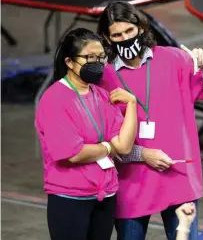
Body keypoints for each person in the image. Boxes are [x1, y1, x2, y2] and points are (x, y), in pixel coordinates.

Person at [96, 1, 203, 240]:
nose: (125, 38)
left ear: (140, 28)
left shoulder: (174, 59)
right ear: (107, 38)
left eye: (129, 31)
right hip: (132, 183)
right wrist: (143, 154)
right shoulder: (105, 78)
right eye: (117, 35)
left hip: (177, 177)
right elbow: (106, 140)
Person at [35, 28, 138, 240]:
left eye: (101, 57)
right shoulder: (55, 99)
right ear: (70, 62)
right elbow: (72, 153)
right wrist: (109, 147)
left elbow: (125, 146)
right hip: (70, 198)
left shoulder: (100, 95)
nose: (98, 63)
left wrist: (132, 104)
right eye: (90, 58)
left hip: (105, 195)